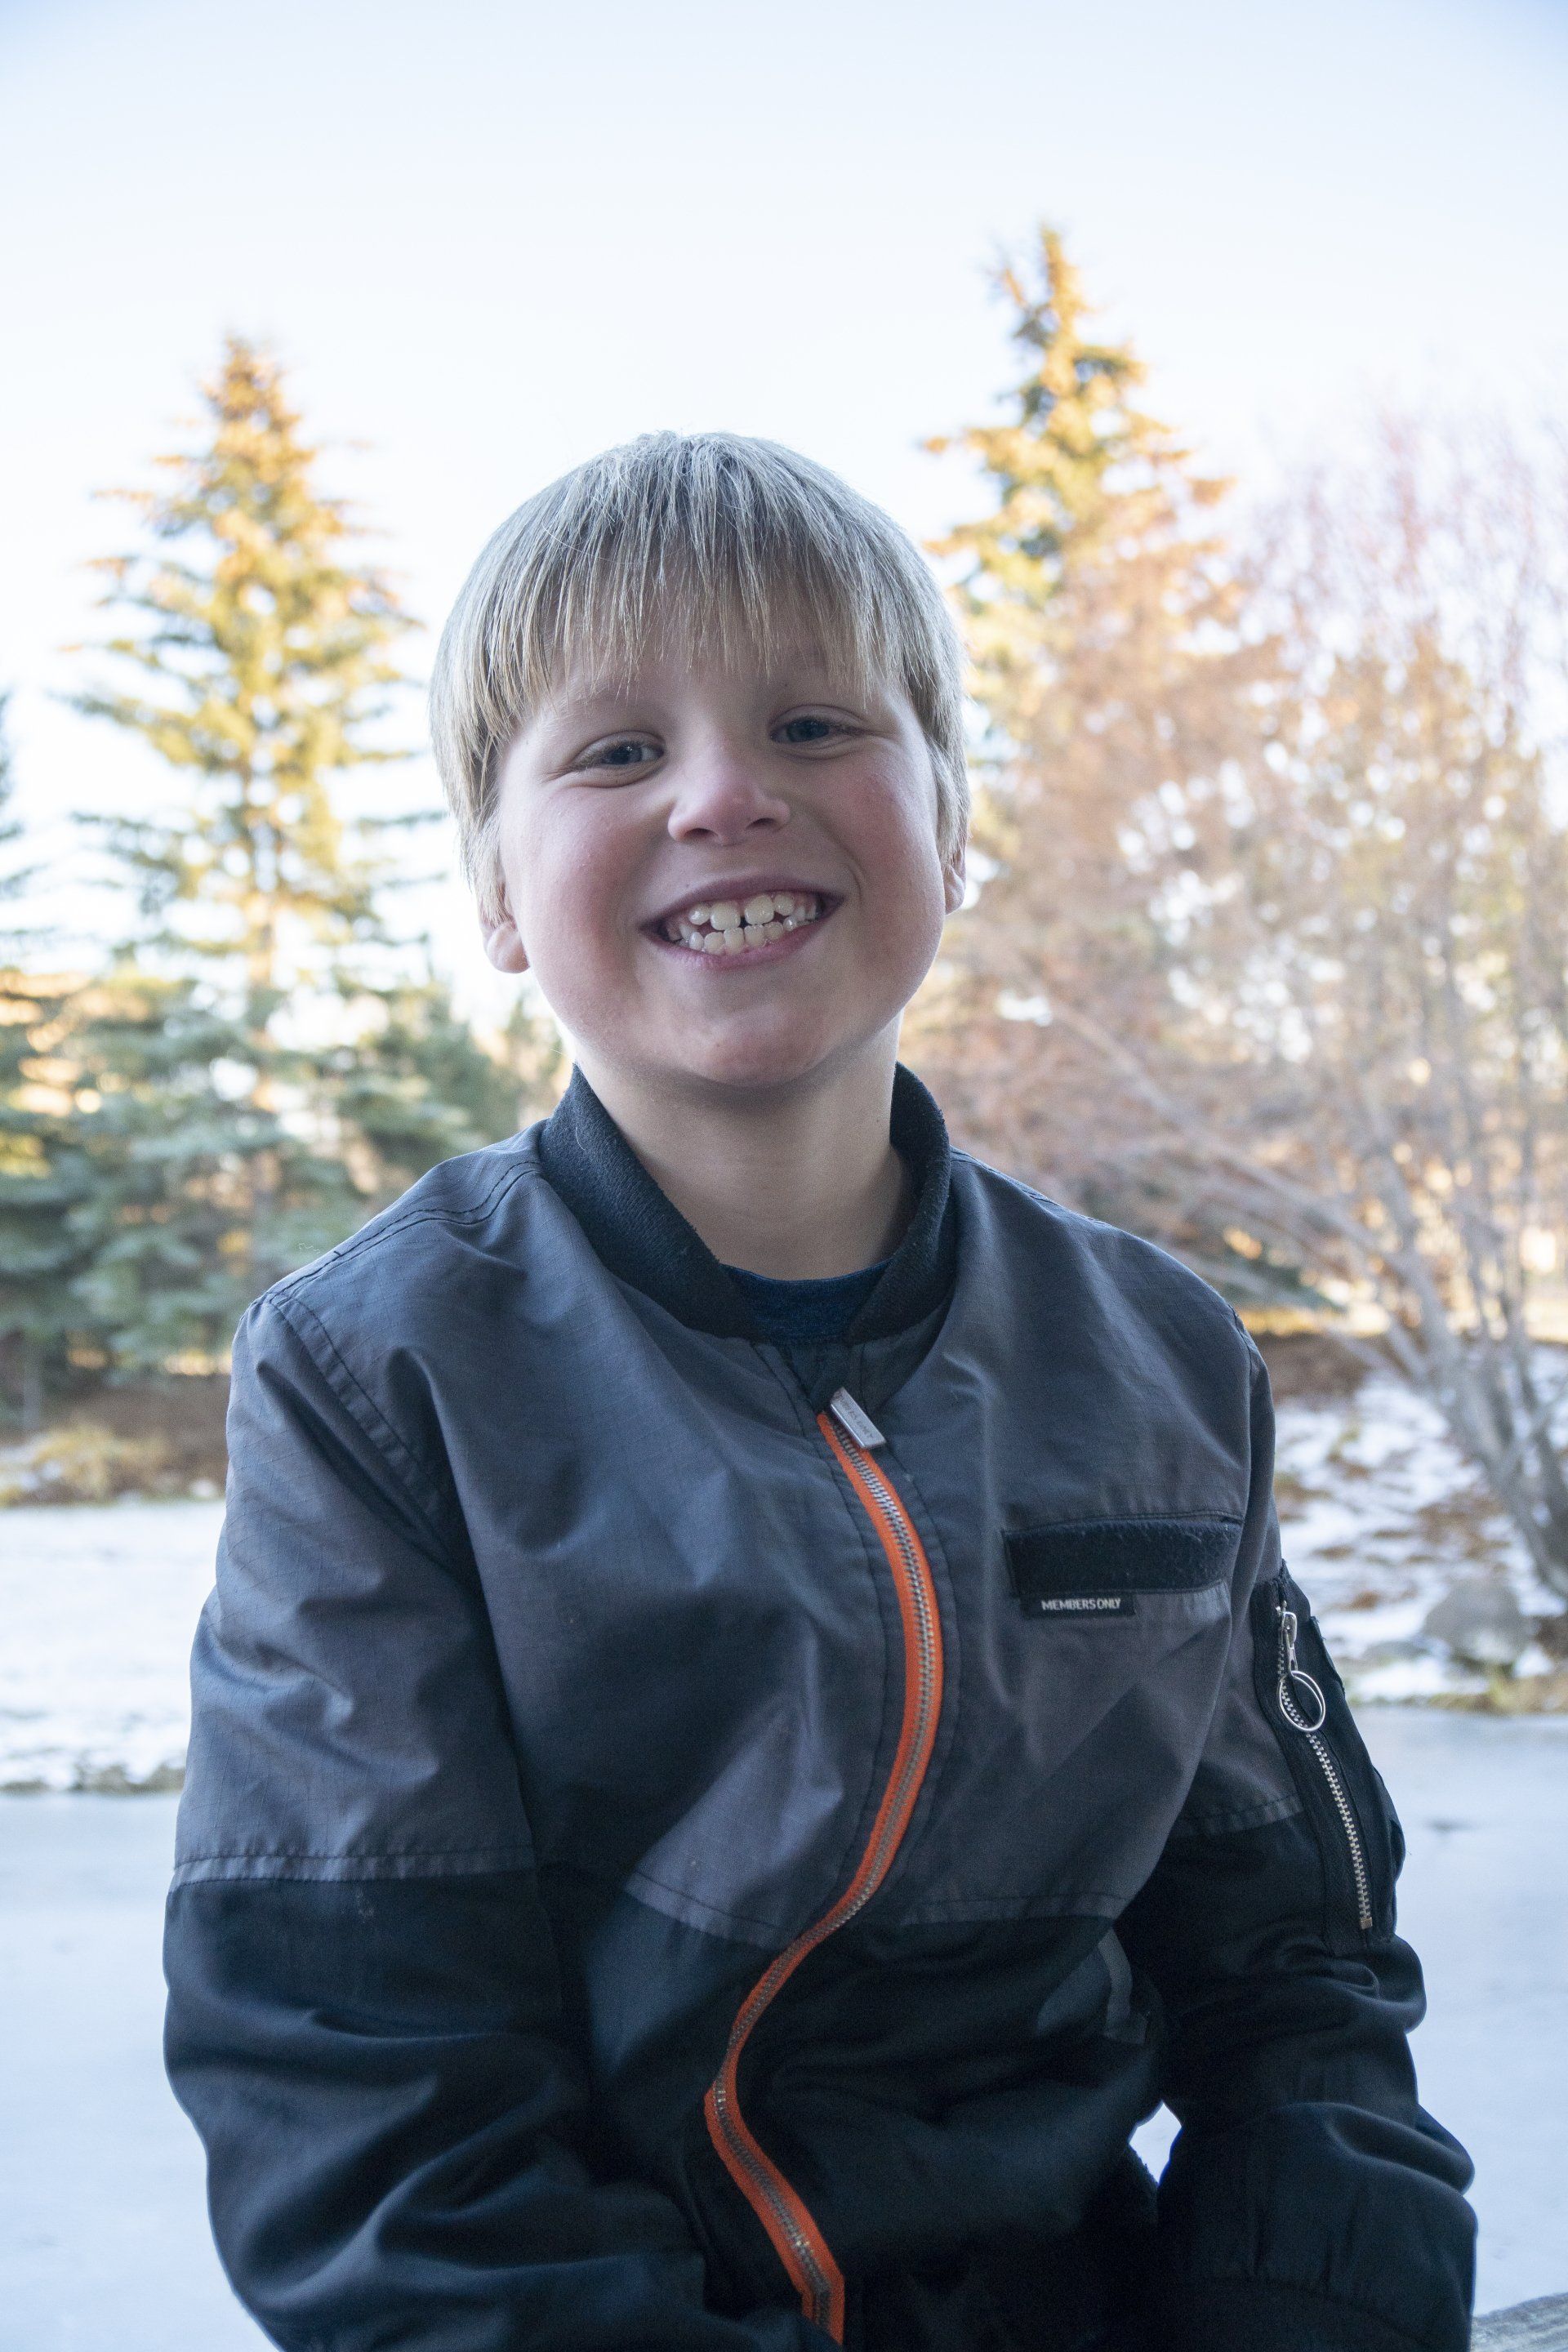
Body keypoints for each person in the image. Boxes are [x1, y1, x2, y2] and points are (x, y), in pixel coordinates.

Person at [164, 432, 1475, 2352]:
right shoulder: (378, 1380)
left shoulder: (1162, 1360)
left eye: (811, 723)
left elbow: (1305, 1988)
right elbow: (370, 2096)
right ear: (498, 894)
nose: (722, 795)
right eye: (618, 751)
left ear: (951, 827)